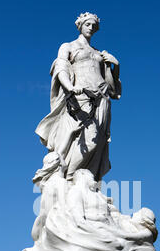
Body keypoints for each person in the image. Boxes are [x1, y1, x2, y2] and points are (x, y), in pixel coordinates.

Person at [35, 12, 121, 183]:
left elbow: (112, 87)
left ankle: (85, 183)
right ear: (80, 25)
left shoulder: (98, 53)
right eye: (88, 24)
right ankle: (68, 181)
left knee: (99, 143)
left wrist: (115, 66)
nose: (91, 28)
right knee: (87, 140)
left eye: (94, 26)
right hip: (80, 97)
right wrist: (70, 87)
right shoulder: (68, 46)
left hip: (102, 99)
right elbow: (61, 68)